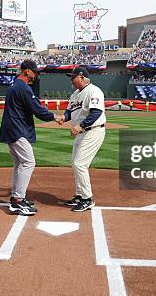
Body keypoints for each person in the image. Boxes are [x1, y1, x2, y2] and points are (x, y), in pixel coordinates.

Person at [0, 60, 63, 215]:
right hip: (17, 130)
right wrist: (54, 116)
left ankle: (16, 198)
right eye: (34, 71)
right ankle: (18, 201)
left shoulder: (14, 85)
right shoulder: (23, 87)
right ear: (26, 71)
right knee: (28, 162)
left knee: (20, 164)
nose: (36, 74)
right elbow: (38, 110)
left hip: (11, 129)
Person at [60, 67, 106, 212]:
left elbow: (96, 113)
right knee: (75, 163)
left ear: (81, 77)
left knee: (80, 164)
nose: (71, 80)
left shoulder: (94, 91)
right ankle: (80, 195)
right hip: (82, 133)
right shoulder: (75, 94)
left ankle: (87, 198)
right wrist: (64, 117)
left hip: (93, 131)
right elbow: (70, 111)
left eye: (73, 77)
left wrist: (81, 126)